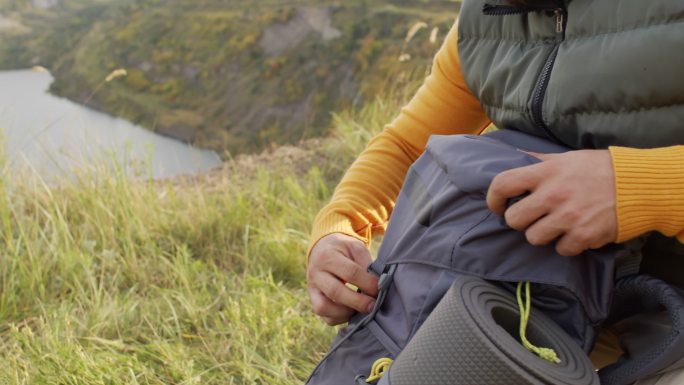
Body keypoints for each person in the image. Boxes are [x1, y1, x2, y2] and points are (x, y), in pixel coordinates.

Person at [306, 0, 684, 383]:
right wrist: (340, 227)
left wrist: (639, 188)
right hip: (540, 306)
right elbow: (408, 145)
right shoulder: (488, 21)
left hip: (666, 319)